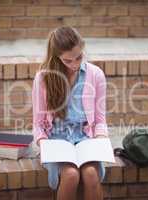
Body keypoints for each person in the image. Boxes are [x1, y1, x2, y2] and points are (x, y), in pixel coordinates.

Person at [32, 26, 108, 200]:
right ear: (56, 57)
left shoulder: (96, 74)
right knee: (71, 175)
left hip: (85, 138)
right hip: (56, 139)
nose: (75, 64)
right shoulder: (44, 77)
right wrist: (44, 144)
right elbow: (38, 124)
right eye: (68, 61)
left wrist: (101, 141)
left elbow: (100, 119)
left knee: (91, 174)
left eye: (79, 57)